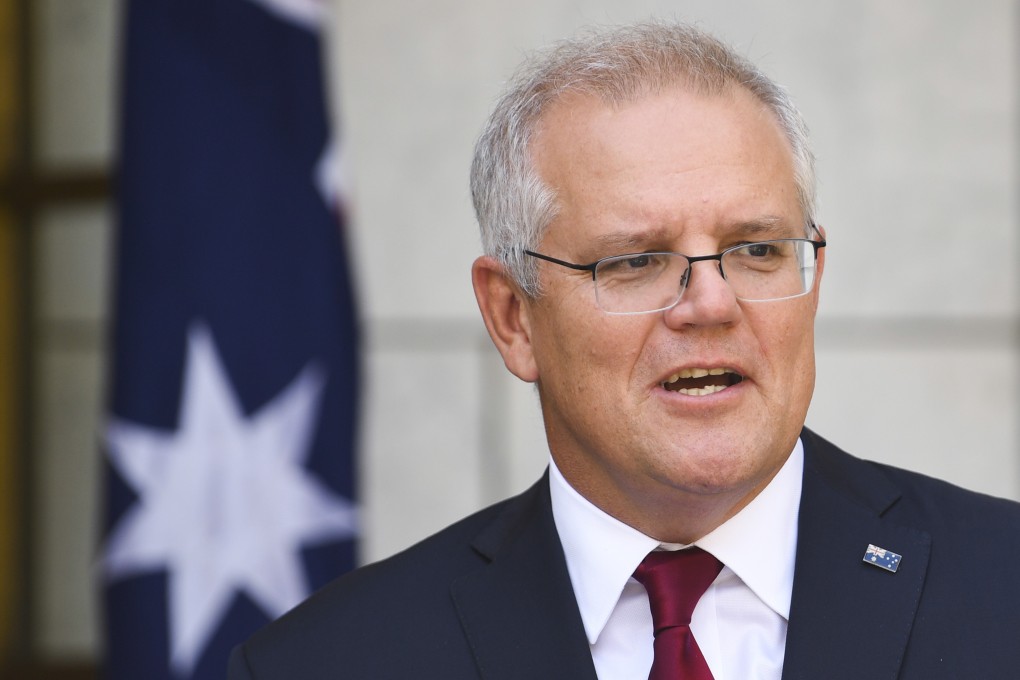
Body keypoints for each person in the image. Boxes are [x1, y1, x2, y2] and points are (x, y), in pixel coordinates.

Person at [228, 21, 1020, 680]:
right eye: (636, 261)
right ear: (513, 319)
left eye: (756, 250)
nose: (711, 303)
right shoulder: (331, 662)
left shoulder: (1002, 588)